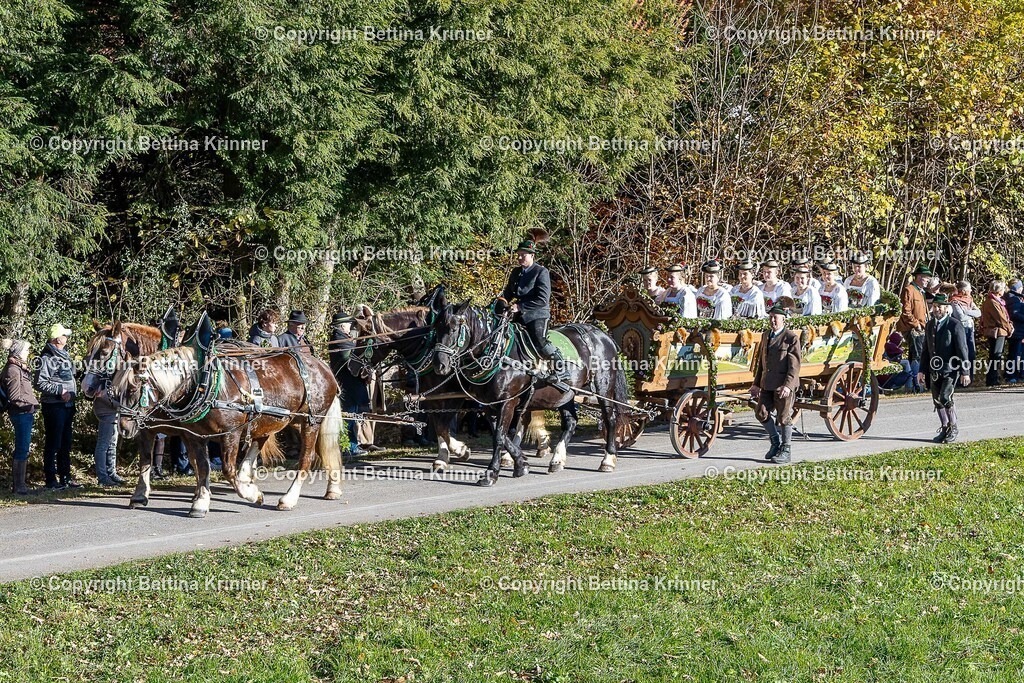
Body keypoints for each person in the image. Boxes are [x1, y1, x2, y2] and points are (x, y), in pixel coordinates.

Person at [496, 229, 569, 382]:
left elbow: (542, 299)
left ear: (532, 256)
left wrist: (520, 307)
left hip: (537, 314)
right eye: (518, 254)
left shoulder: (541, 272)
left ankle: (561, 369)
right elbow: (508, 293)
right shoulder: (516, 272)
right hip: (517, 314)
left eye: (523, 254)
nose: (520, 257)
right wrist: (500, 302)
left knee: (539, 339)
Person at [750, 303, 801, 464]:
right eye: (770, 317)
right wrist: (756, 383)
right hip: (767, 383)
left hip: (782, 385)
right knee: (761, 412)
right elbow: (761, 362)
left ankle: (786, 450)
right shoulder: (766, 335)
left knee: (784, 417)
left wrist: (788, 386)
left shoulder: (791, 338)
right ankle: (775, 442)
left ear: (783, 319)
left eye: (776, 318)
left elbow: (795, 366)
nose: (773, 321)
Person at [918, 293, 971, 443]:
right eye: (934, 306)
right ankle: (945, 427)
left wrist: (964, 371)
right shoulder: (929, 325)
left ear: (947, 308)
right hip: (933, 370)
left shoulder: (955, 324)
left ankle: (953, 427)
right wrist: (921, 370)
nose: (936, 309)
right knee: (937, 400)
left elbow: (963, 349)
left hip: (950, 369)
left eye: (940, 306)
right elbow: (925, 350)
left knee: (945, 397)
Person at [35, 323, 80, 490]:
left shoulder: (64, 355)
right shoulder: (46, 357)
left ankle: (65, 478)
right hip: (54, 406)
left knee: (66, 443)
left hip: (68, 406)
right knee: (53, 443)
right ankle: (50, 479)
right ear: (57, 339)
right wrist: (60, 390)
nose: (67, 338)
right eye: (64, 335)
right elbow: (39, 383)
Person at [329, 310, 370, 459]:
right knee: (349, 415)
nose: (349, 327)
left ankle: (353, 444)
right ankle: (349, 447)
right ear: (341, 326)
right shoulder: (338, 338)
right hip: (347, 382)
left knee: (353, 415)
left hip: (352, 381)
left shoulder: (344, 338)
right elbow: (348, 358)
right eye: (347, 324)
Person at [2, 340, 40, 495]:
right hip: (21, 413)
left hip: (25, 412)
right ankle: (19, 486)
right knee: (22, 449)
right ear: (18, 352)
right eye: (25, 351)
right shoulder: (13, 370)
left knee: (23, 448)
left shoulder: (19, 368)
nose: (27, 353)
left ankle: (20, 484)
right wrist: (28, 405)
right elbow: (14, 396)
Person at [85, 362, 123, 487]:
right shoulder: (100, 373)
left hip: (114, 411)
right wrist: (122, 406)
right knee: (103, 444)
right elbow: (94, 393)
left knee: (112, 444)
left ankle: (111, 472)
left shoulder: (116, 370)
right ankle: (102, 476)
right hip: (105, 410)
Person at [897, 264, 930, 393]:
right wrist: (916, 324)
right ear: (918, 277)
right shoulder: (909, 290)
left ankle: (912, 385)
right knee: (917, 356)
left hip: (920, 328)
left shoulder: (920, 292)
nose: (927, 281)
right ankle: (917, 385)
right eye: (926, 278)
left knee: (915, 356)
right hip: (912, 329)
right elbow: (905, 311)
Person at [979, 280, 1013, 387]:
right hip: (997, 331)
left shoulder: (996, 301)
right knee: (995, 355)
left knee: (996, 355)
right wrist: (1009, 328)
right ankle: (992, 379)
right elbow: (1001, 318)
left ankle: (994, 377)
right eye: (1002, 289)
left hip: (999, 331)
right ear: (998, 290)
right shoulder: (992, 302)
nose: (1004, 291)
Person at [950, 280, 981, 382]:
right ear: (963, 290)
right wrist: (970, 315)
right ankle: (961, 378)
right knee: (962, 352)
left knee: (971, 353)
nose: (971, 290)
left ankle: (970, 378)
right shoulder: (954, 301)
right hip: (961, 329)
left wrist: (967, 311)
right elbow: (960, 316)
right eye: (969, 289)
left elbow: (979, 313)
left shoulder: (969, 300)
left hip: (970, 329)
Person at [1005, 280, 1024, 383]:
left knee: (1016, 354)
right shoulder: (1014, 299)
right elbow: (1014, 314)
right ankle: (1012, 375)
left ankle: (1016, 374)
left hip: (1017, 331)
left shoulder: (1011, 297)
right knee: (1015, 354)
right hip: (1017, 331)